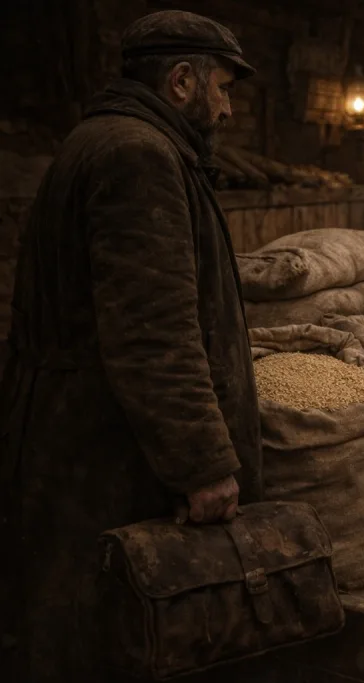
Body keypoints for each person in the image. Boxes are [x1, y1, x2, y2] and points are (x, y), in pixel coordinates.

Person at [0, 11, 262, 681]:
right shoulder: (136, 155)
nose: (229, 109)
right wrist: (203, 462)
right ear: (181, 81)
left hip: (84, 438)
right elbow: (152, 332)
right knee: (98, 637)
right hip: (101, 452)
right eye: (223, 88)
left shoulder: (109, 140)